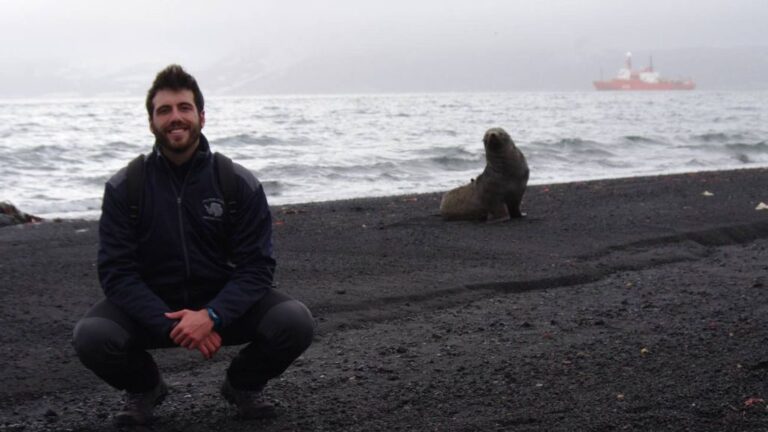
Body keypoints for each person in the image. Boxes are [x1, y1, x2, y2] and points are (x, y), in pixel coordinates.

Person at [72, 64, 314, 427]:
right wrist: (173, 324)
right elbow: (117, 273)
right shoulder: (126, 186)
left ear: (201, 116)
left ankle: (242, 385)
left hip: (222, 305)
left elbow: (257, 267)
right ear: (151, 122)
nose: (175, 117)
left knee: (294, 322)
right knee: (92, 336)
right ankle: (146, 388)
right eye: (164, 110)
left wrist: (213, 315)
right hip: (154, 311)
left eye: (184, 107)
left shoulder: (236, 182)